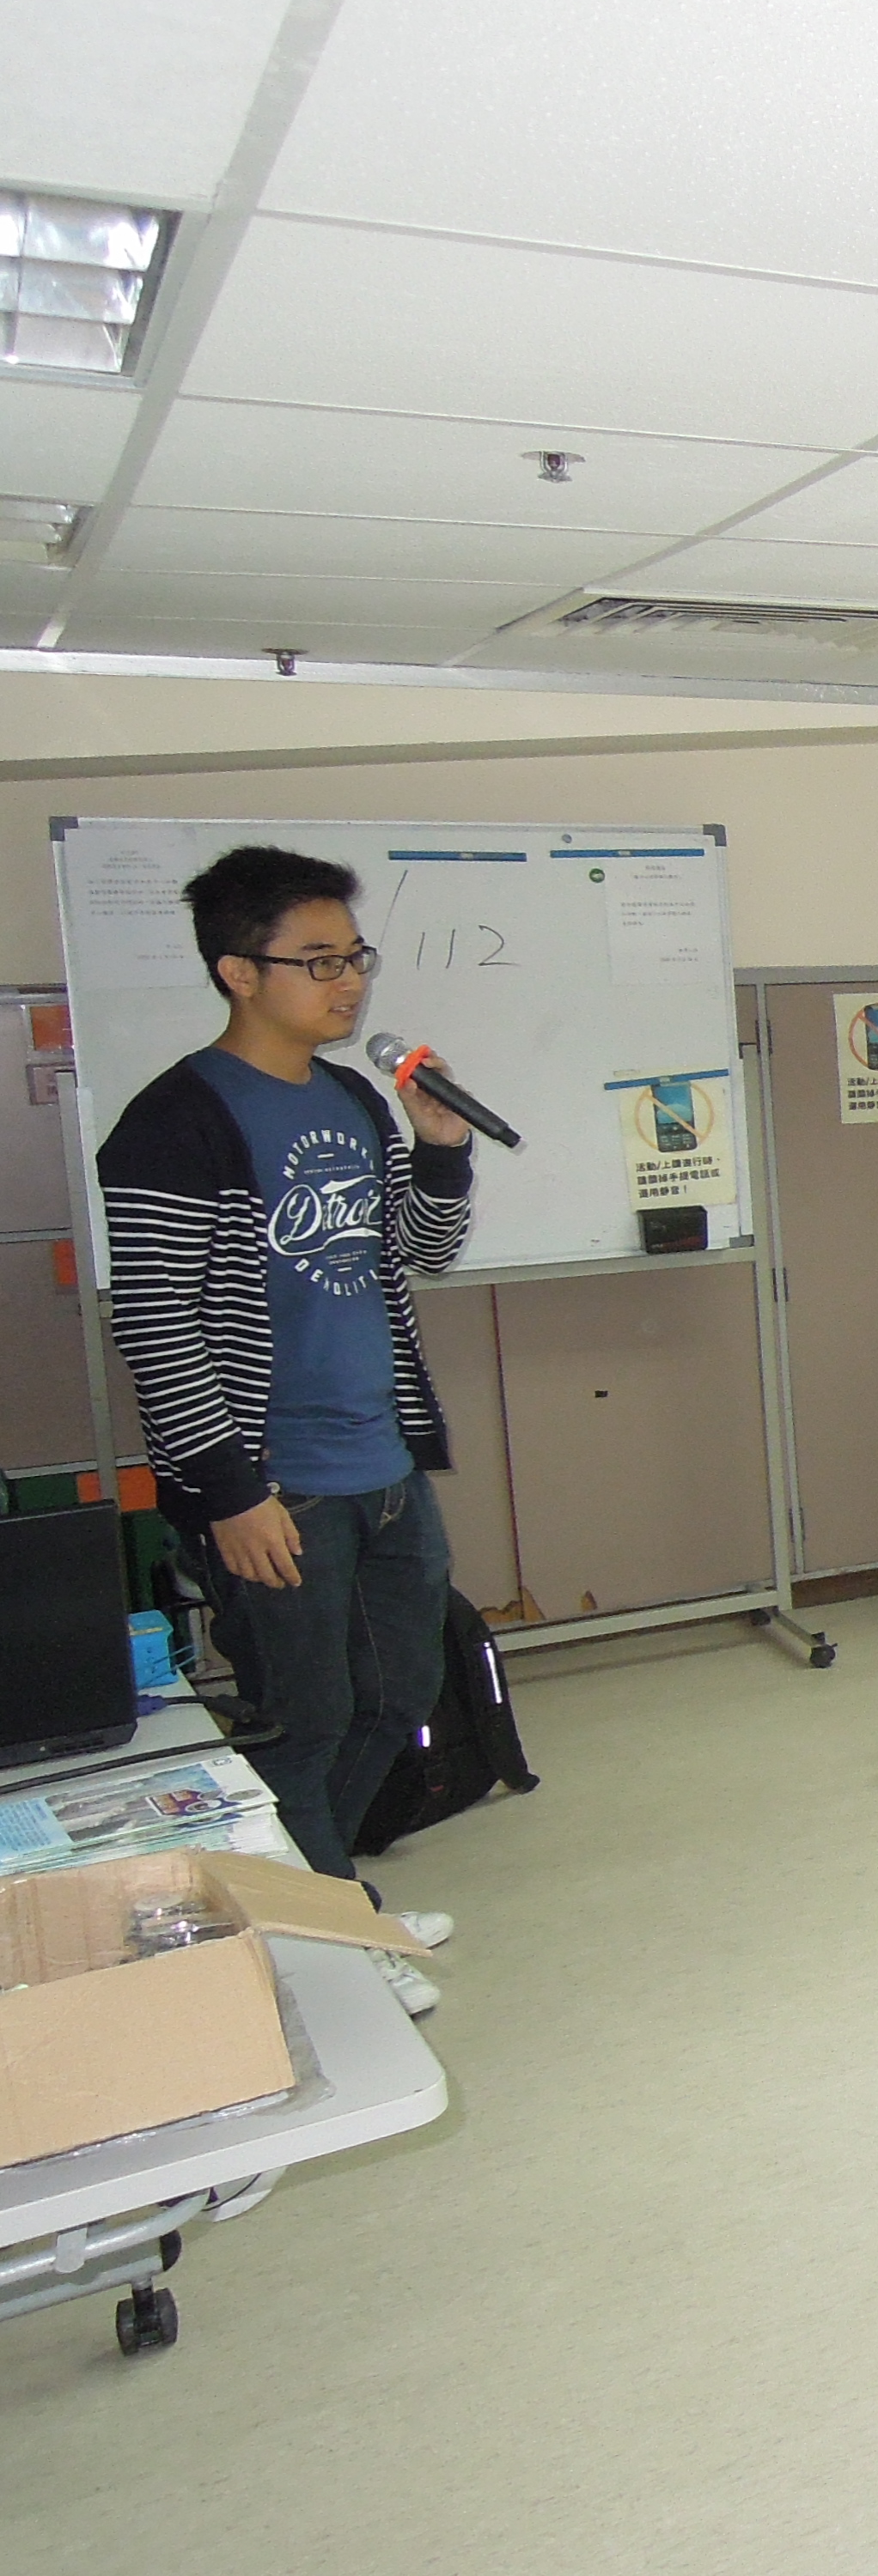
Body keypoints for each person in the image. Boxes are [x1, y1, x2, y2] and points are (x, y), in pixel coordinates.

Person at [99, 845, 478, 2016]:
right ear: (236, 971)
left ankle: (320, 1899)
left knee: (399, 1697)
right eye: (315, 961)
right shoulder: (174, 1121)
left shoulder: (353, 1097)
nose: (347, 983)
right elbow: (155, 1324)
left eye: (353, 957)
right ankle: (325, 1931)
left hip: (383, 1466)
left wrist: (443, 1150)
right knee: (304, 1719)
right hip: (274, 1482)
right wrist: (226, 1490)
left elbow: (414, 1257)